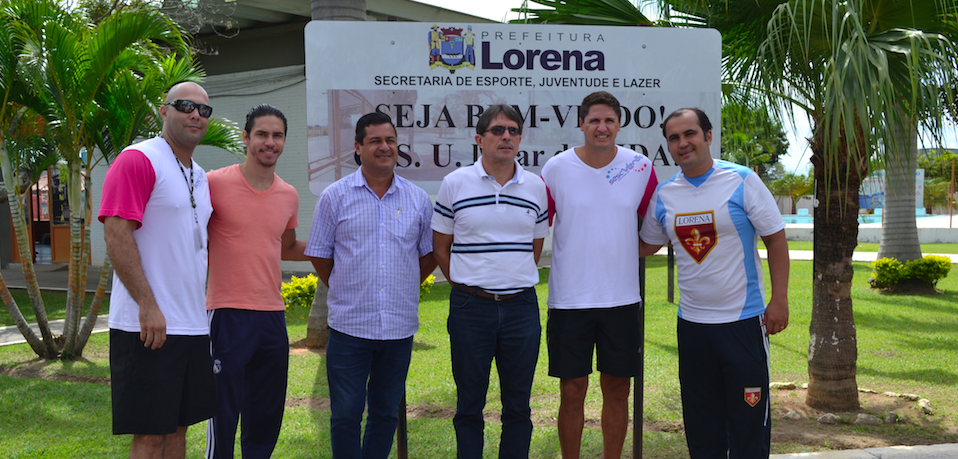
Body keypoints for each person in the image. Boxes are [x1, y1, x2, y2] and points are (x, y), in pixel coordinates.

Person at [639, 107, 789, 458]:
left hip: (743, 324)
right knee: (702, 428)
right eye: (674, 138)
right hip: (693, 328)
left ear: (708, 136)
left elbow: (776, 239)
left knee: (749, 428)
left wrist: (779, 299)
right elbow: (644, 245)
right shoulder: (665, 195)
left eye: (689, 133)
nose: (682, 143)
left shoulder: (741, 180)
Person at [306, 112, 437, 459]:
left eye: (390, 140)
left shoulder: (417, 199)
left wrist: (405, 283)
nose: (384, 147)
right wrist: (344, 285)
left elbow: (429, 255)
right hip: (349, 328)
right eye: (375, 141)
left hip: (398, 328)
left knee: (385, 413)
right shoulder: (334, 196)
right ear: (358, 147)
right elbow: (320, 254)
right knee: (345, 415)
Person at [99, 81, 217, 458]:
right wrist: (147, 305)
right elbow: (116, 232)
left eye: (203, 110)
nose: (195, 114)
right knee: (150, 434)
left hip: (191, 324)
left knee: (179, 429)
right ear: (164, 111)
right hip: (148, 325)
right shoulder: (139, 159)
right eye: (185, 106)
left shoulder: (199, 174)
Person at [540, 91, 658, 459]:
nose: (601, 127)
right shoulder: (556, 169)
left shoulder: (639, 167)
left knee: (618, 389)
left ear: (619, 124)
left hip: (621, 300)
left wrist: (623, 249)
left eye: (609, 120)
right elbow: (537, 226)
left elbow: (654, 231)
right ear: (581, 124)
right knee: (571, 390)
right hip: (569, 300)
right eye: (594, 120)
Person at [432, 105, 548, 459]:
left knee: (518, 407)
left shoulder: (536, 187)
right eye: (497, 130)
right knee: (469, 405)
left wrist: (509, 279)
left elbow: (535, 246)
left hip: (521, 308)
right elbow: (441, 247)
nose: (506, 136)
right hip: (470, 309)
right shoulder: (455, 184)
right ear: (479, 139)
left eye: (513, 130)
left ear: (520, 139)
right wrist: (468, 285)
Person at [204, 104, 309, 459]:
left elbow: (287, 247)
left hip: (272, 317)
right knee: (222, 410)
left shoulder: (288, 195)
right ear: (246, 138)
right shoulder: (214, 183)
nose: (270, 142)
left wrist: (340, 248)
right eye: (262, 134)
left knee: (266, 412)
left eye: (277, 135)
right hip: (227, 312)